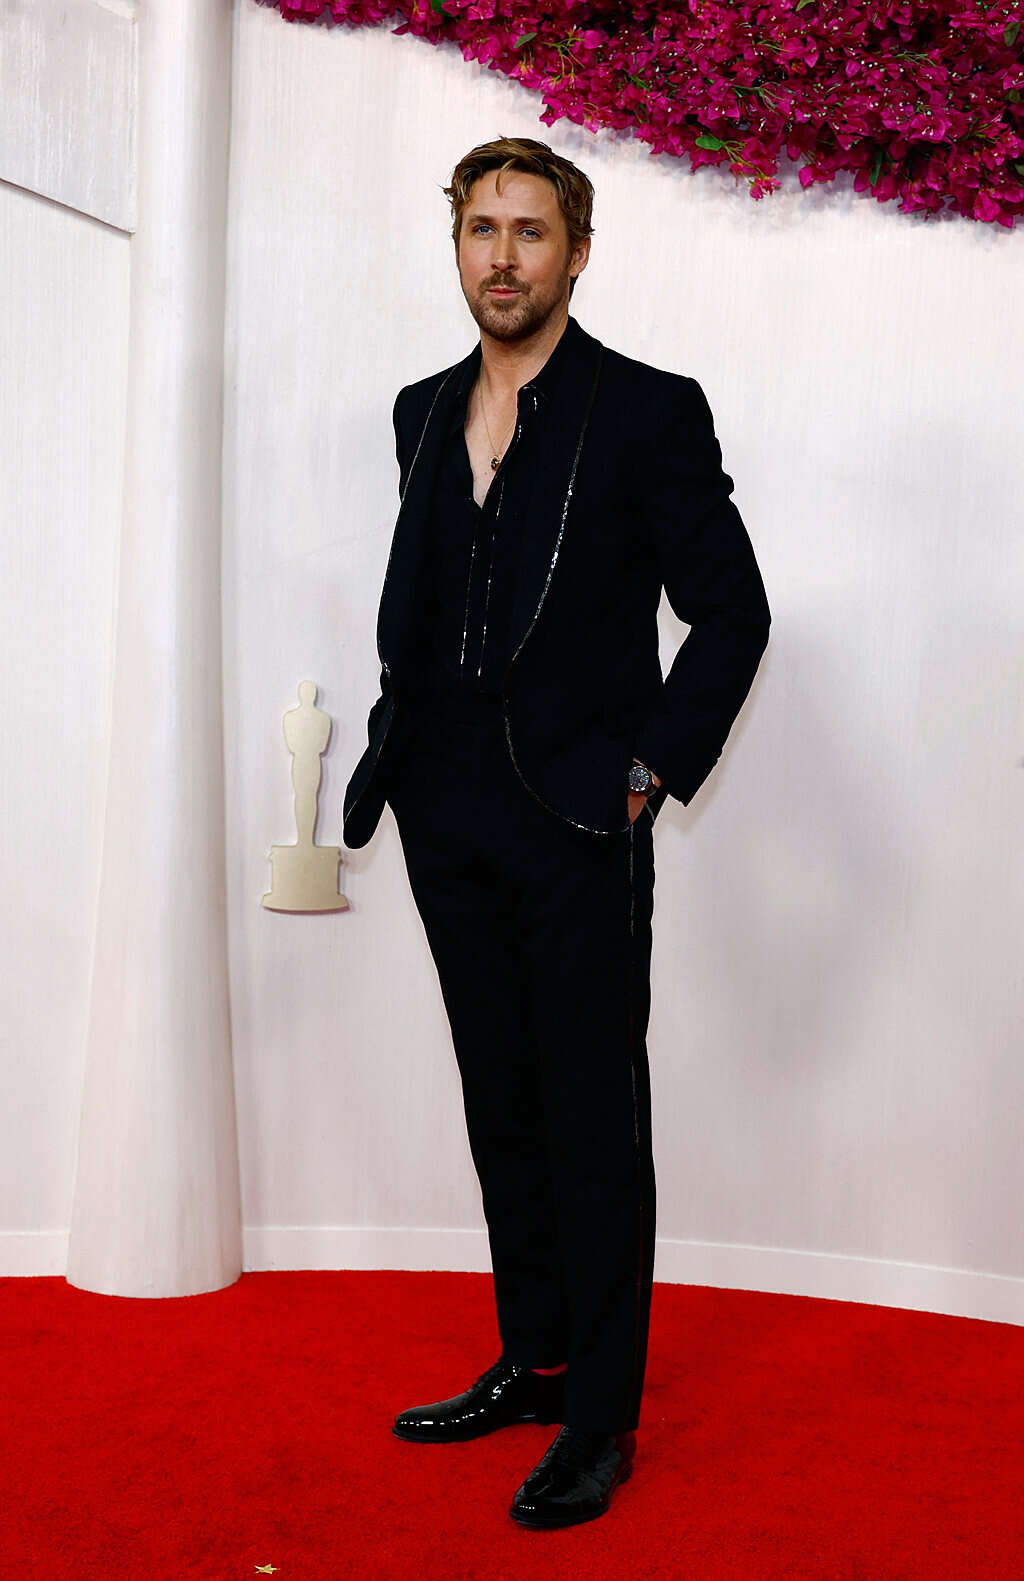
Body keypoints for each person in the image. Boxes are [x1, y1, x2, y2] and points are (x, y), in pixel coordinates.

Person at [342, 135, 771, 1529]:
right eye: (483, 229)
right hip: (444, 801)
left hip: (581, 811)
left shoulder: (646, 410)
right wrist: (399, 752)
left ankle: (599, 1418)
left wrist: (649, 771)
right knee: (501, 1100)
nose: (504, 256)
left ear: (577, 254)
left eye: (532, 231)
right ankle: (533, 1362)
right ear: (457, 245)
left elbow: (734, 613)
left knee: (591, 1115)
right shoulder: (418, 412)